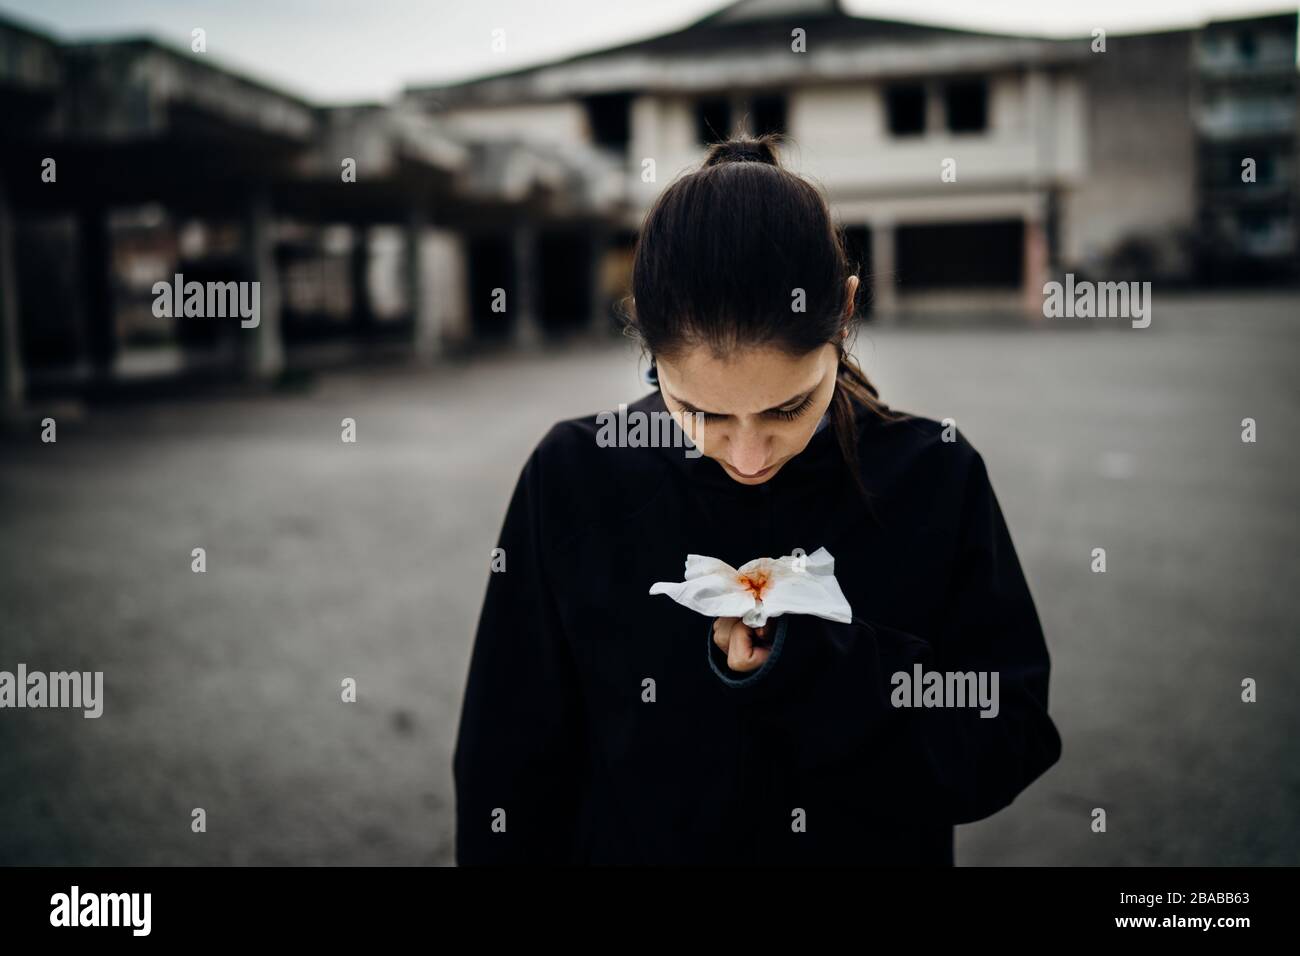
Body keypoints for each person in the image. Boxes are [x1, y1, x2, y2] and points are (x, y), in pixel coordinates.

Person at [452, 133, 1062, 865]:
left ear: (844, 311)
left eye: (786, 409)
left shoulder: (933, 473)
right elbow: (507, 762)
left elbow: (1007, 736)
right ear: (645, 336)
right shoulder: (574, 475)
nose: (747, 457)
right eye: (700, 412)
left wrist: (825, 667)